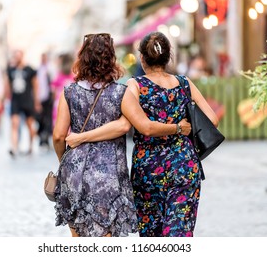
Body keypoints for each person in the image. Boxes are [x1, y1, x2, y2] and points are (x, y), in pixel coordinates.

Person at [65, 31, 218, 237]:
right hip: (184, 165)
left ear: (142, 58)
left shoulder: (135, 86)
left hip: (149, 168)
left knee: (152, 236)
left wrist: (81, 137)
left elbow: (142, 126)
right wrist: (181, 127)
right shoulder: (185, 83)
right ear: (168, 56)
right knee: (180, 233)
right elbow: (213, 120)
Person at [5, 50, 41, 156]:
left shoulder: (30, 70)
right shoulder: (10, 70)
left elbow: (35, 86)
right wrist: (4, 99)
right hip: (15, 100)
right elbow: (7, 86)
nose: (16, 58)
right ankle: (14, 147)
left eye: (18, 56)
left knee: (29, 125)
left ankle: (30, 146)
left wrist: (36, 101)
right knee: (14, 124)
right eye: (15, 56)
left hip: (27, 101)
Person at [50, 52, 74, 129]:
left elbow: (53, 91)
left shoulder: (58, 75)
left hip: (59, 103)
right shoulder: (75, 76)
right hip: (72, 104)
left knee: (58, 126)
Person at [36, 52, 53, 148]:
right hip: (41, 97)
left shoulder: (50, 69)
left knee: (48, 119)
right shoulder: (38, 69)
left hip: (48, 98)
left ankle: (46, 138)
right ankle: (42, 137)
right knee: (40, 119)